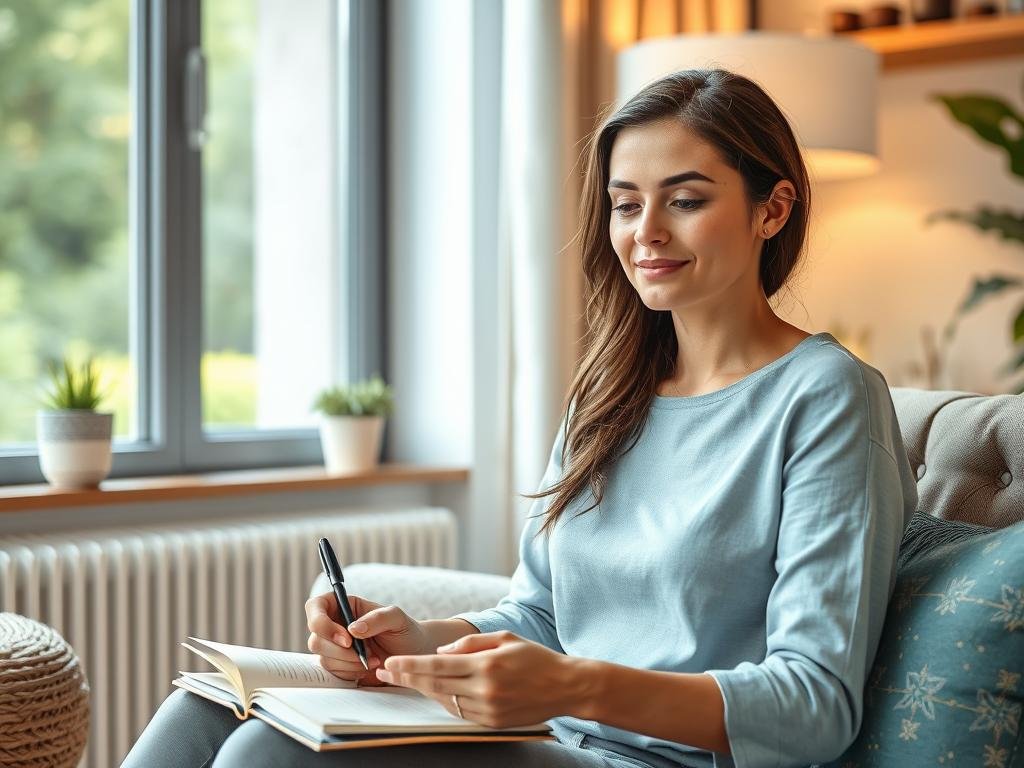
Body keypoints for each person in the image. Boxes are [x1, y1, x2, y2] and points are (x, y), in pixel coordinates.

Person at [122, 68, 918, 768]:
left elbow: (815, 703)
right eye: (625, 204)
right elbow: (540, 609)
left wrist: (575, 686)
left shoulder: (827, 397)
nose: (646, 234)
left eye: (685, 200)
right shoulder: (609, 391)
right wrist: (420, 640)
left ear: (772, 209)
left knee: (270, 755)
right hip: (548, 741)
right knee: (211, 706)